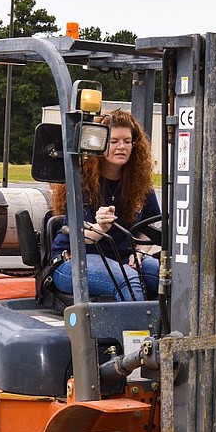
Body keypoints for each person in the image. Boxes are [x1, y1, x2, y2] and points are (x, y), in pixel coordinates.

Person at [49, 109, 160, 302]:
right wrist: (101, 228)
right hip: (74, 261)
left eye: (127, 141)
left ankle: (180, 331)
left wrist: (141, 252)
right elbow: (79, 237)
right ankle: (138, 332)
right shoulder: (81, 181)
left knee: (173, 276)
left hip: (122, 258)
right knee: (128, 279)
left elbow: (150, 228)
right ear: (99, 143)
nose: (121, 147)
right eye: (114, 141)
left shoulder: (139, 183)